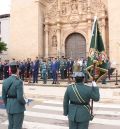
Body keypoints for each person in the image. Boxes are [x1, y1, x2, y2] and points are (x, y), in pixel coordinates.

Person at [2, 62, 26, 129]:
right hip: (18, 107)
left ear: (10, 70)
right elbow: (20, 98)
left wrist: (7, 105)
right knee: (17, 126)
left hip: (9, 107)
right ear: (17, 70)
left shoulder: (5, 81)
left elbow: (3, 96)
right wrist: (25, 102)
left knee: (10, 125)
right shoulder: (19, 81)